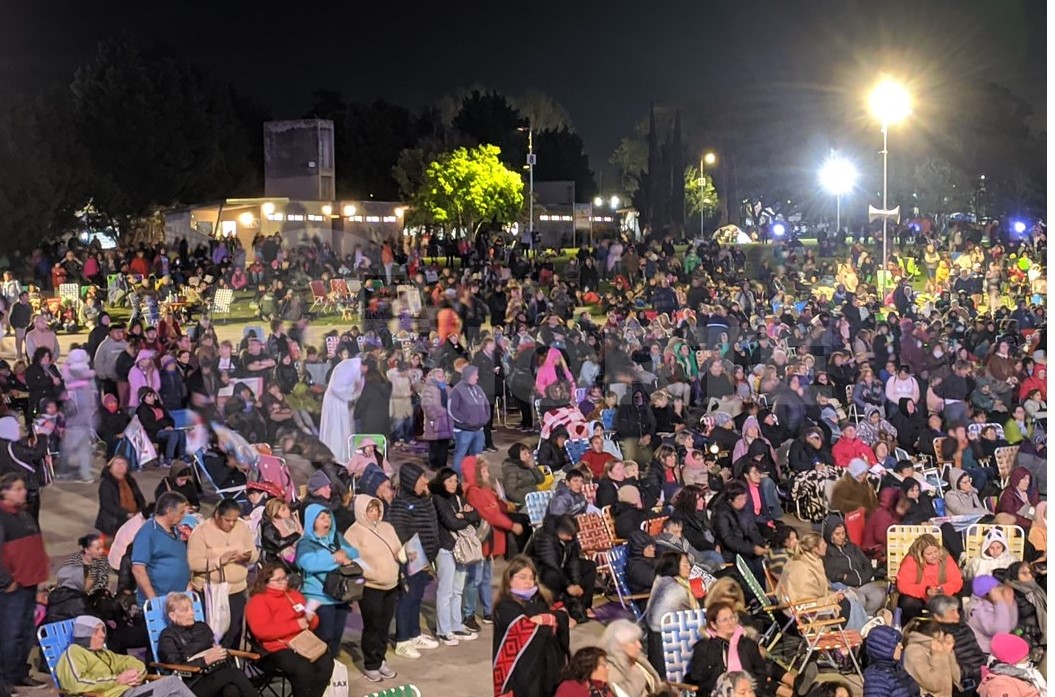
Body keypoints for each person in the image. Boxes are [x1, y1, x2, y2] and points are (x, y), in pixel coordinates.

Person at [686, 601, 816, 697]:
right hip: (723, 692)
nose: (731, 622)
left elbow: (760, 675)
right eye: (725, 620)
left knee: (764, 667)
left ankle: (798, 688)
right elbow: (699, 679)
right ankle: (798, 687)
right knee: (766, 667)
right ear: (713, 624)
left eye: (732, 617)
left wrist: (753, 690)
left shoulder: (746, 643)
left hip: (750, 691)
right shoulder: (704, 648)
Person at [244, 563, 335, 697]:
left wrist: (311, 618)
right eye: (278, 580)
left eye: (285, 578)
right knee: (303, 669)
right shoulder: (258, 601)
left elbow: (311, 625)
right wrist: (296, 625)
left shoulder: (293, 595)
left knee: (326, 663)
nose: (284, 582)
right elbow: (262, 631)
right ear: (266, 582)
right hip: (274, 647)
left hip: (301, 641)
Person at [56, 615, 197, 697]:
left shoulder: (104, 654)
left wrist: (134, 675)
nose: (103, 635)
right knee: (172, 682)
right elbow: (77, 683)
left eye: (103, 630)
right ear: (86, 634)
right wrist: (117, 679)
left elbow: (130, 662)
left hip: (129, 692)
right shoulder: (74, 653)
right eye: (97, 631)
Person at [491, 556, 571, 697]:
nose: (528, 582)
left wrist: (545, 618)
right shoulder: (505, 606)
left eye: (531, 577)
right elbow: (523, 629)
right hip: (521, 676)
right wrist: (549, 620)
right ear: (509, 580)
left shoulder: (540, 600)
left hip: (548, 671)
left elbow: (563, 616)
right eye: (522, 577)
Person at [461, 455, 526, 630]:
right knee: (475, 579)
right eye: (483, 470)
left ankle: (488, 610)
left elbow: (497, 507)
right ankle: (468, 614)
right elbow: (489, 514)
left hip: (490, 542)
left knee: (486, 577)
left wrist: (506, 504)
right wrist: (511, 525)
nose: (487, 473)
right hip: (481, 542)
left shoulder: (486, 489)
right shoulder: (474, 492)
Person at [343, 494, 402, 682]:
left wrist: (406, 554)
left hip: (391, 584)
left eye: (377, 509)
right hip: (371, 587)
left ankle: (381, 658)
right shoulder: (354, 532)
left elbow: (398, 549)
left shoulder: (387, 527)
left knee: (385, 625)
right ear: (362, 511)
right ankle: (371, 664)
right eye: (370, 509)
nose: (375, 513)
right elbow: (352, 560)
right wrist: (372, 572)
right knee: (372, 626)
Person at [186, 498, 258, 648]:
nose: (231, 524)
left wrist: (247, 556)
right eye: (228, 520)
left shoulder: (242, 527)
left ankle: (232, 664)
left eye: (234, 520)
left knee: (235, 632)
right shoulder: (201, 532)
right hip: (211, 593)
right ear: (218, 515)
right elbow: (193, 563)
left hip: (237, 591)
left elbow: (254, 553)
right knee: (215, 635)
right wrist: (219, 561)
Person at [156, 593, 257, 697]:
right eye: (186, 610)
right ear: (172, 616)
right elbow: (176, 669)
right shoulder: (168, 636)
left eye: (192, 608)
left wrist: (222, 653)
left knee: (231, 691)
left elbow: (218, 650)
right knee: (235, 674)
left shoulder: (202, 627)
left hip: (216, 673)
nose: (192, 613)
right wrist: (205, 660)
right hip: (193, 683)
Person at [0, 473, 48, 692]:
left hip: (30, 582)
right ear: (5, 492)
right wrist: (6, 581)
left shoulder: (24, 514)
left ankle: (20, 672)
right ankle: (7, 679)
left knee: (27, 632)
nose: (23, 492)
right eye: (18, 489)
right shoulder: (2, 517)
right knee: (11, 634)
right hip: (13, 587)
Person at [388, 462, 441, 658]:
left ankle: (414, 633)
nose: (426, 481)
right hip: (412, 560)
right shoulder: (401, 504)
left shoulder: (424, 499)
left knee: (417, 598)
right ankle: (403, 640)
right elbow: (402, 534)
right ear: (411, 482)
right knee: (407, 599)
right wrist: (417, 559)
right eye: (421, 479)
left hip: (426, 558)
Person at [294, 504, 359, 658]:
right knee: (323, 637)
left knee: (336, 637)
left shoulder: (336, 537)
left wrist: (344, 553)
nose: (327, 520)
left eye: (328, 516)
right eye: (322, 517)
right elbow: (308, 563)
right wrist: (333, 558)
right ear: (312, 521)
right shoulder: (306, 543)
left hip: (340, 595)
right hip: (319, 597)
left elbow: (354, 552)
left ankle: (331, 666)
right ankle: (320, 670)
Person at [430, 467, 481, 645]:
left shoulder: (459, 498)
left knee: (458, 589)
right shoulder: (437, 499)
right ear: (441, 482)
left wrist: (464, 515)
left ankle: (456, 625)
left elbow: (477, 515)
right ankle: (444, 630)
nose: (453, 484)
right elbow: (450, 522)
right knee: (446, 590)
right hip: (446, 548)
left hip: (462, 549)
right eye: (449, 480)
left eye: (455, 480)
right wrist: (463, 517)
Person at [776, 532, 866, 631]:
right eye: (823, 544)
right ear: (815, 549)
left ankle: (861, 629)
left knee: (848, 596)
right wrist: (832, 598)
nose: (826, 545)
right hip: (804, 617)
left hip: (796, 610)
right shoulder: (804, 570)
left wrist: (834, 596)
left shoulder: (804, 561)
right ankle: (859, 633)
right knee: (847, 603)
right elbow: (806, 602)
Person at [527, 514, 596, 623]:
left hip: (562, 567)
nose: (570, 538)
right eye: (568, 535)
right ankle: (556, 607)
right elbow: (552, 564)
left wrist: (576, 583)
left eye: (572, 535)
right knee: (552, 575)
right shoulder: (544, 537)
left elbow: (574, 561)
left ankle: (584, 606)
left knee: (589, 566)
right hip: (541, 570)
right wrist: (568, 585)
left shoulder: (571, 538)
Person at [643, 552, 698, 678]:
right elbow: (694, 615)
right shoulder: (677, 589)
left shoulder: (660, 580)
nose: (689, 567)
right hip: (668, 644)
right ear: (674, 567)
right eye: (685, 564)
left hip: (653, 639)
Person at [130, 492, 190, 603]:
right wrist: (153, 600)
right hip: (160, 601)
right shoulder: (147, 533)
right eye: (181, 512)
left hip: (178, 599)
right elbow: (138, 569)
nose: (184, 516)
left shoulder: (175, 529)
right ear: (169, 511)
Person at [820, 516, 885, 614]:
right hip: (844, 586)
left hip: (862, 582)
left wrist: (866, 575)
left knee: (879, 595)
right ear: (830, 535)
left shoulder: (852, 547)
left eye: (843, 533)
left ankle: (865, 617)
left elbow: (866, 562)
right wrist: (843, 577)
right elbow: (828, 571)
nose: (841, 536)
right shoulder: (826, 552)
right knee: (860, 599)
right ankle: (859, 620)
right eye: (837, 534)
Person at [895, 533, 963, 624]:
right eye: (929, 554)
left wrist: (943, 589)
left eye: (936, 552)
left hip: (942, 593)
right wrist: (925, 591)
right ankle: (917, 627)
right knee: (907, 602)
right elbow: (903, 585)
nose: (934, 556)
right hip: (921, 597)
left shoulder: (946, 558)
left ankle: (952, 627)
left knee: (956, 600)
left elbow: (957, 581)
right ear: (921, 554)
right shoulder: (911, 561)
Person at [711, 481, 768, 584]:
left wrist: (762, 544)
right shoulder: (721, 513)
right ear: (730, 500)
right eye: (740, 499)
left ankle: (762, 594)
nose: (743, 501)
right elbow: (728, 539)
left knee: (760, 564)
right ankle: (751, 597)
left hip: (747, 546)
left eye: (745, 498)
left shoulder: (744, 509)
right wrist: (752, 549)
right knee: (748, 567)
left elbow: (752, 530)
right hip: (730, 551)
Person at [601, 619, 664, 697]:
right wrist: (636, 674)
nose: (640, 646)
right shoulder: (610, 670)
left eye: (638, 640)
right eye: (633, 642)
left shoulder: (639, 660)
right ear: (619, 645)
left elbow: (655, 684)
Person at [901, 618, 961, 697]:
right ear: (936, 634)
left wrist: (949, 652)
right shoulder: (913, 651)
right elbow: (935, 684)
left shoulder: (939, 647)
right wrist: (939, 655)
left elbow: (956, 678)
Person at [448, 365, 490, 475]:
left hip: (479, 430)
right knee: (460, 456)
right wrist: (466, 421)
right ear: (468, 376)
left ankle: (474, 477)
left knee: (477, 456)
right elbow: (452, 410)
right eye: (475, 375)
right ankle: (456, 479)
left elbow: (486, 404)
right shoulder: (456, 390)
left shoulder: (478, 389)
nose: (477, 377)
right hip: (464, 431)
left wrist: (486, 417)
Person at [978, 633, 1047, 697]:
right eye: (1024, 655)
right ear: (1011, 659)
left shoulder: (1022, 674)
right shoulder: (1000, 684)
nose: (1027, 657)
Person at [862, 625, 921, 697]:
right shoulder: (876, 679)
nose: (901, 647)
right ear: (885, 649)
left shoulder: (897, 669)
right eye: (897, 644)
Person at [966, 575, 1018, 654]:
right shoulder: (976, 609)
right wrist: (1000, 601)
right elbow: (1001, 632)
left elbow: (1011, 625)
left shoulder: (995, 604)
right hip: (984, 653)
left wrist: (1009, 603)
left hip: (999, 650)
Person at [1004, 561, 1046, 652]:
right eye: (1024, 573)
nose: (1030, 576)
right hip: (1023, 637)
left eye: (1031, 572)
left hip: (1038, 636)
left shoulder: (1036, 589)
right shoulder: (1012, 592)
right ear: (1014, 575)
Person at [502, 442, 545, 506]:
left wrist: (533, 467)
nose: (528, 455)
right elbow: (510, 492)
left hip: (535, 497)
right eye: (525, 454)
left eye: (529, 453)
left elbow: (541, 480)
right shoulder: (511, 470)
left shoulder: (527, 466)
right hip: (524, 502)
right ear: (517, 456)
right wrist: (527, 500)